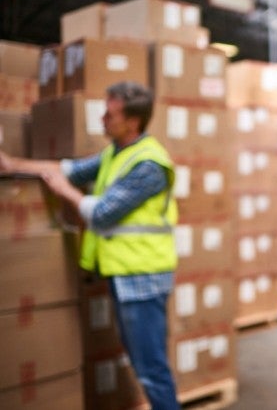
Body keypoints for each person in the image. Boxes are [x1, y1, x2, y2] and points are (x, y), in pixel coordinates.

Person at [0, 81, 181, 410]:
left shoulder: (149, 165)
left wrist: (65, 192)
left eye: (110, 114)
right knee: (143, 364)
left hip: (143, 278)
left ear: (132, 121)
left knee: (152, 368)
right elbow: (68, 169)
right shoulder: (116, 153)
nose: (102, 119)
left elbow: (103, 214)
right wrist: (14, 165)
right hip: (123, 274)